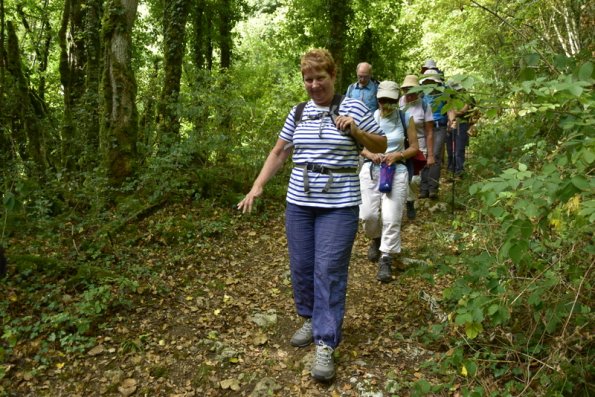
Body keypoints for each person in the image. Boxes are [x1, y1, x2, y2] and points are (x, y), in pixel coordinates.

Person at [237, 48, 386, 382]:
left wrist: (355, 133)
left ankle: (325, 341)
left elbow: (381, 145)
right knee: (302, 267)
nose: (315, 84)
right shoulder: (299, 111)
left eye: (321, 78)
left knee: (328, 270)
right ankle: (309, 317)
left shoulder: (354, 107)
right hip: (299, 205)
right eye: (308, 79)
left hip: (339, 205)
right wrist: (257, 186)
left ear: (333, 76)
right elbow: (279, 152)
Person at [359, 81, 419, 282]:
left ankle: (386, 258)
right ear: (377, 99)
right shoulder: (369, 118)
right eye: (382, 100)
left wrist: (398, 155)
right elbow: (358, 144)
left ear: (396, 100)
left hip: (397, 171)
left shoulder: (405, 117)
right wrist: (370, 153)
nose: (386, 104)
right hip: (370, 171)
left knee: (392, 216)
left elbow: (415, 148)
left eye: (390, 100)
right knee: (368, 215)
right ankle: (375, 239)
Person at [399, 75, 435, 219]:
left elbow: (430, 132)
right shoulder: (399, 104)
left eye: (412, 90)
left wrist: (430, 154)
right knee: (401, 175)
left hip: (419, 144)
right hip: (402, 144)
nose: (409, 93)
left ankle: (410, 201)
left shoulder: (425, 106)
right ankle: (401, 203)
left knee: (414, 178)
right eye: (406, 90)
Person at [420, 69, 447, 199]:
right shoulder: (421, 94)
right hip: (425, 128)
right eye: (427, 81)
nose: (429, 83)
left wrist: (452, 121)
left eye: (431, 81)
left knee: (435, 156)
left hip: (439, 127)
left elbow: (450, 108)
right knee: (424, 154)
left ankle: (433, 188)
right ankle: (423, 188)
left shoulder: (443, 92)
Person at [446, 83, 476, 178]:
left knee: (459, 149)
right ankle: (451, 170)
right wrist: (451, 120)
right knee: (450, 149)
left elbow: (464, 110)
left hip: (462, 124)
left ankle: (460, 172)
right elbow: (448, 109)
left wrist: (455, 113)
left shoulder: (467, 97)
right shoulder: (450, 97)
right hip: (452, 123)